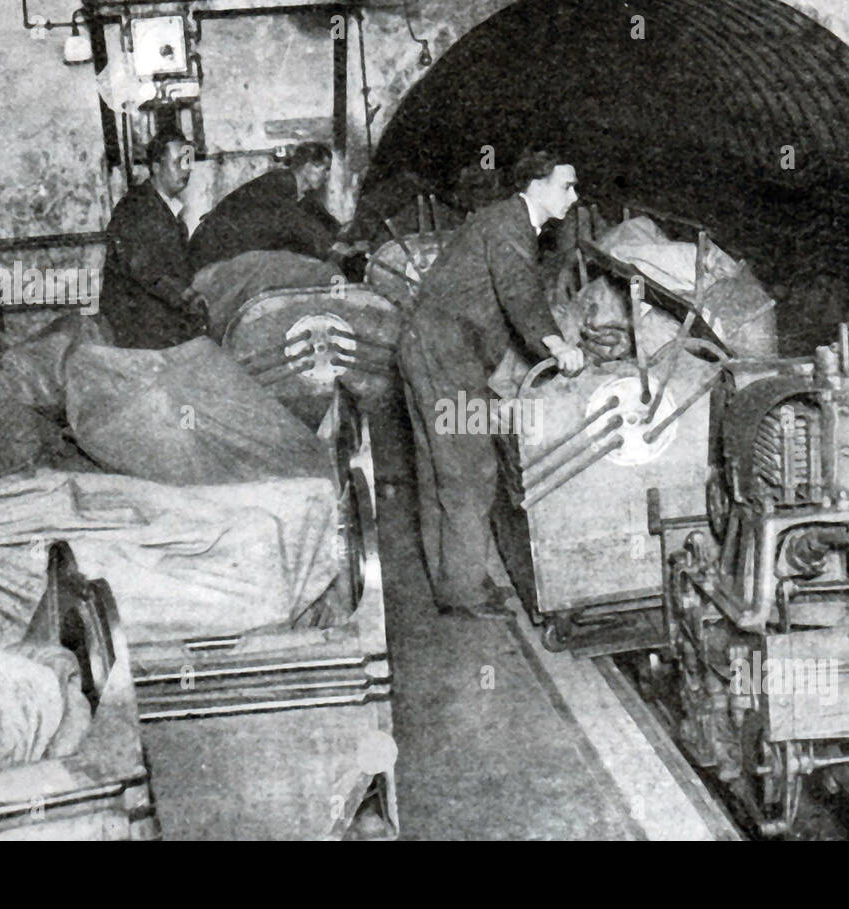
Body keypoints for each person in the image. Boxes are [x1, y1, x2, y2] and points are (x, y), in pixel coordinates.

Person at [399, 150, 584, 622]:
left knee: (439, 467)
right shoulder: (509, 225)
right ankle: (464, 591)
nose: (574, 195)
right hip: (447, 358)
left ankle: (452, 580)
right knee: (470, 467)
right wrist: (558, 347)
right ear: (537, 186)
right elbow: (519, 294)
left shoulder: (505, 221)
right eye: (567, 185)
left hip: (431, 350)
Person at [98, 129, 208, 349]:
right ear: (156, 167)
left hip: (159, 312)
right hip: (135, 321)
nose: (185, 170)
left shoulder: (167, 208)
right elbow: (144, 267)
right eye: (178, 162)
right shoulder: (136, 208)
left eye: (188, 162)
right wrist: (186, 295)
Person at [188, 142, 367, 271]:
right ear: (307, 166)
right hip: (212, 250)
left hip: (230, 253)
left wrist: (346, 233)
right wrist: (331, 247)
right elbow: (295, 222)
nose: (326, 176)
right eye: (324, 169)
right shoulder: (280, 183)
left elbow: (322, 219)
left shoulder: (302, 195)